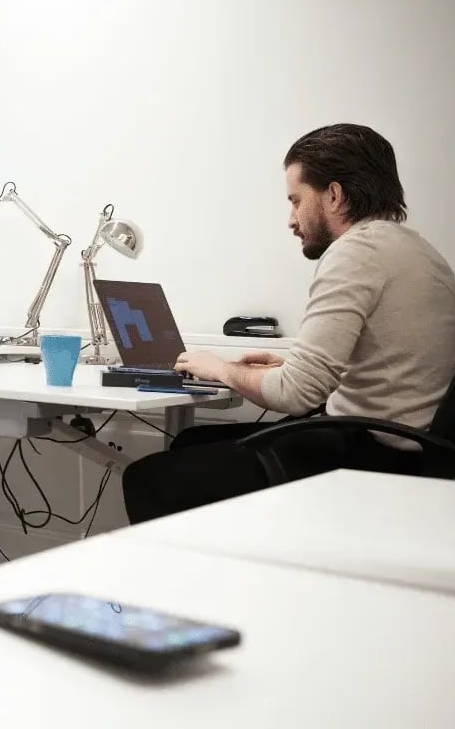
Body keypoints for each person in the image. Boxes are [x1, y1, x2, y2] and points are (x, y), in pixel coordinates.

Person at [123, 123, 455, 523]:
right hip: (414, 449)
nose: (292, 219)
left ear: (334, 195)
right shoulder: (417, 250)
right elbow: (393, 368)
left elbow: (296, 395)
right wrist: (290, 367)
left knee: (148, 480)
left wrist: (219, 369)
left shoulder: (356, 253)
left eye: (296, 201)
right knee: (190, 441)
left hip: (374, 455)